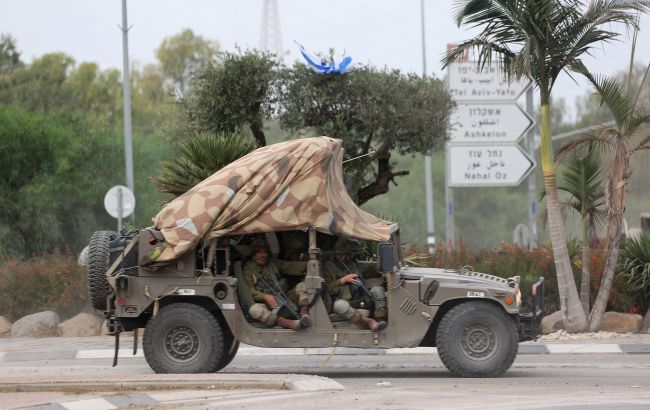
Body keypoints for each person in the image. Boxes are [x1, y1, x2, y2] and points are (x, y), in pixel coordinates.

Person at [242, 238, 311, 330]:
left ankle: (304, 314)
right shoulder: (249, 269)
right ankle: (288, 323)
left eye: (265, 252)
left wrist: (310, 264)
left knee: (303, 286)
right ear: (253, 254)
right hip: (269, 306)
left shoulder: (272, 263)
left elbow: (290, 266)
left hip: (285, 298)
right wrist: (265, 297)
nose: (262, 255)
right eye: (259, 252)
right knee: (255, 310)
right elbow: (249, 290)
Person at [322, 238, 387, 331]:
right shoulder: (329, 266)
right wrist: (342, 281)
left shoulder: (352, 265)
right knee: (340, 305)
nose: (348, 257)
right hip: (339, 301)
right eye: (341, 255)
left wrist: (360, 283)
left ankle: (380, 321)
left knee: (378, 290)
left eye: (349, 255)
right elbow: (326, 288)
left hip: (357, 298)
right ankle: (368, 322)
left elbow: (360, 280)